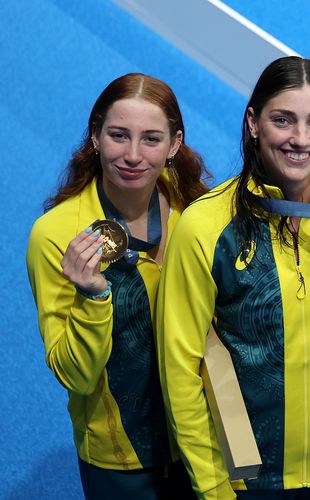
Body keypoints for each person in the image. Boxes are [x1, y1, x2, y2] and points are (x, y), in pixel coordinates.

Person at [156, 56, 310, 499]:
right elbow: (179, 369)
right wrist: (213, 485)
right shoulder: (206, 227)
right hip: (250, 477)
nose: (301, 139)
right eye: (283, 120)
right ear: (254, 123)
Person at [26, 73, 209, 499]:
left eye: (151, 139)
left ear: (174, 145)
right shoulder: (55, 235)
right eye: (118, 135)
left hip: (204, 437)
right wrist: (94, 295)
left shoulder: (195, 207)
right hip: (122, 457)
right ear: (95, 136)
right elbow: (76, 375)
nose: (132, 155)